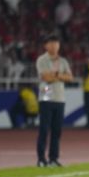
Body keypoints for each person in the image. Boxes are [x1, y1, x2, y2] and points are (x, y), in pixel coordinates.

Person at [36, 34, 73, 167]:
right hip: (46, 95)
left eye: (56, 43)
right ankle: (41, 159)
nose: (54, 45)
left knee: (57, 130)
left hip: (59, 97)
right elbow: (47, 78)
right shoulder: (42, 60)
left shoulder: (63, 61)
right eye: (51, 43)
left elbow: (70, 78)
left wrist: (56, 74)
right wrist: (60, 76)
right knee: (44, 129)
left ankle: (53, 158)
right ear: (46, 46)